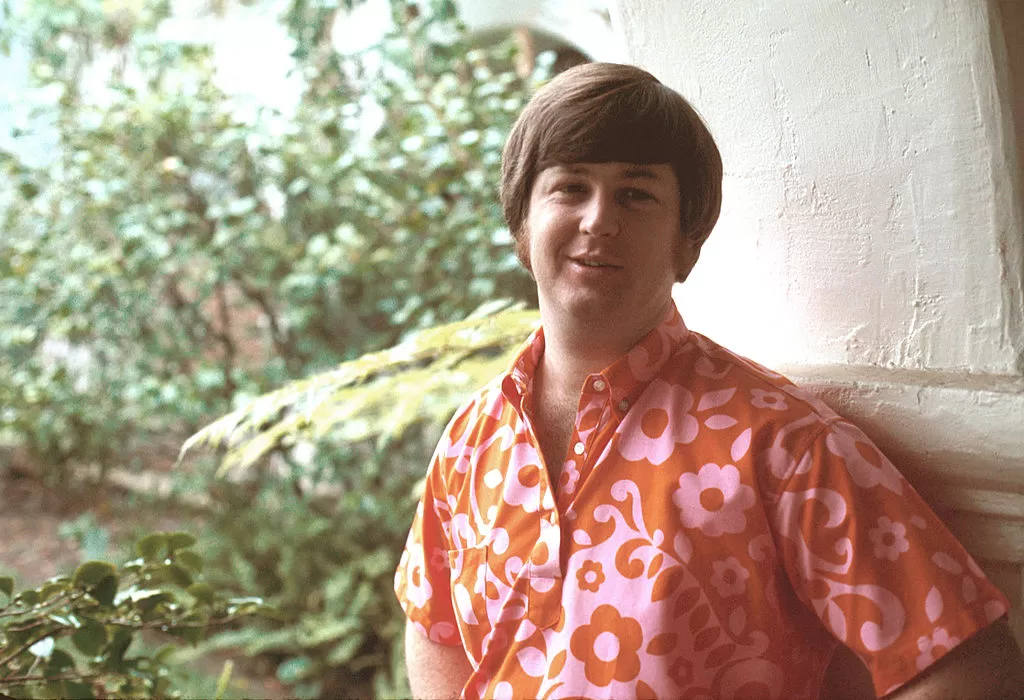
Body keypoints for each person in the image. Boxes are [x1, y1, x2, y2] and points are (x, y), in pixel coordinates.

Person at [394, 62, 1023, 699]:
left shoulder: (785, 446)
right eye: (570, 188)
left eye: (637, 194)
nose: (599, 220)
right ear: (523, 226)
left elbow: (965, 660)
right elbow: (435, 629)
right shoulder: (470, 443)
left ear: (687, 243)